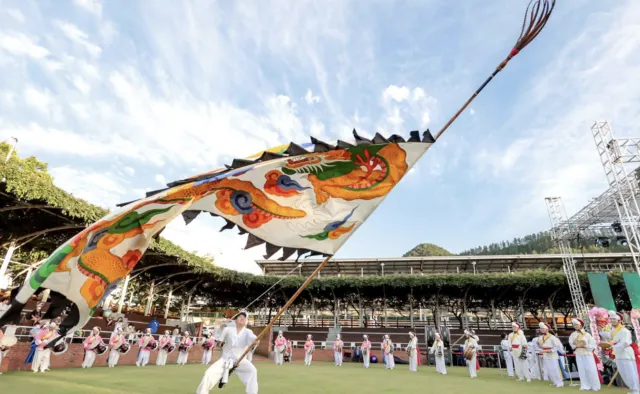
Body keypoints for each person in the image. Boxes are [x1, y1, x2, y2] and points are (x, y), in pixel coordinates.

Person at [195, 310, 258, 394]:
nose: (242, 318)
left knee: (252, 371)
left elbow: (253, 338)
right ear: (235, 320)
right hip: (225, 359)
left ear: (246, 322)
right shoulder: (228, 329)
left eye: (244, 318)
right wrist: (221, 327)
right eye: (240, 317)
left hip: (240, 361)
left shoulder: (248, 332)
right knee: (208, 374)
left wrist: (256, 341)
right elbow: (219, 341)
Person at [600, 311, 639, 394]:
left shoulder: (624, 330)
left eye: (614, 319)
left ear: (619, 320)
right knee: (623, 373)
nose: (612, 321)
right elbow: (609, 335)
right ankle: (633, 389)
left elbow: (625, 342)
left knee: (630, 372)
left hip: (626, 354)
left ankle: (636, 390)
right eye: (611, 319)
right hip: (619, 354)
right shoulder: (614, 330)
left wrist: (612, 346)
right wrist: (600, 331)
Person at [569, 318, 600, 391]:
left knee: (591, 369)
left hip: (587, 353)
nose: (576, 326)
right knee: (581, 369)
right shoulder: (573, 335)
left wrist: (585, 346)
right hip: (579, 353)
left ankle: (595, 386)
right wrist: (576, 345)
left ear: (581, 325)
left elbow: (593, 345)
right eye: (575, 325)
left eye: (577, 325)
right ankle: (585, 385)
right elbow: (571, 343)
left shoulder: (587, 335)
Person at [538, 322, 564, 388]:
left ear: (547, 329)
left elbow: (557, 346)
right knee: (549, 369)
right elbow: (541, 346)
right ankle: (554, 381)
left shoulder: (552, 337)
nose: (542, 330)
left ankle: (560, 382)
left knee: (555, 368)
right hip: (545, 354)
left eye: (543, 328)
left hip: (552, 354)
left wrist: (550, 350)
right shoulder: (540, 337)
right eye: (541, 329)